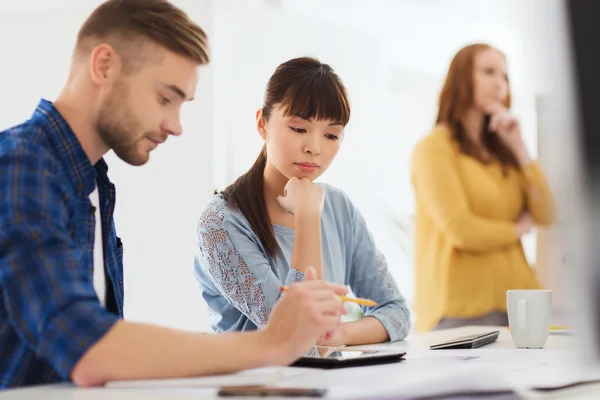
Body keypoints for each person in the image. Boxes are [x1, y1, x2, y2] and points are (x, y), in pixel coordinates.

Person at [0, 0, 349, 390]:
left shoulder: (92, 183)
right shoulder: (22, 165)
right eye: (165, 98)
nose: (176, 126)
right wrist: (273, 343)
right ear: (103, 66)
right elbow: (88, 348)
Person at [194, 57, 411, 349]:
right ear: (262, 123)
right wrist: (307, 217)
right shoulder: (221, 221)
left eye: (331, 135)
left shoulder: (339, 207)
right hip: (255, 389)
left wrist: (339, 335)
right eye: (298, 129)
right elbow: (297, 336)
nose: (314, 148)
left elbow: (396, 311)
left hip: (328, 387)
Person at [410, 43, 556, 332]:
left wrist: (519, 146)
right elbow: (461, 229)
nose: (499, 83)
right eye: (489, 72)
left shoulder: (505, 152)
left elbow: (547, 212)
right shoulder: (434, 149)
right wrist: (516, 229)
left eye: (504, 76)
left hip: (521, 304)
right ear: (462, 79)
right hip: (463, 309)